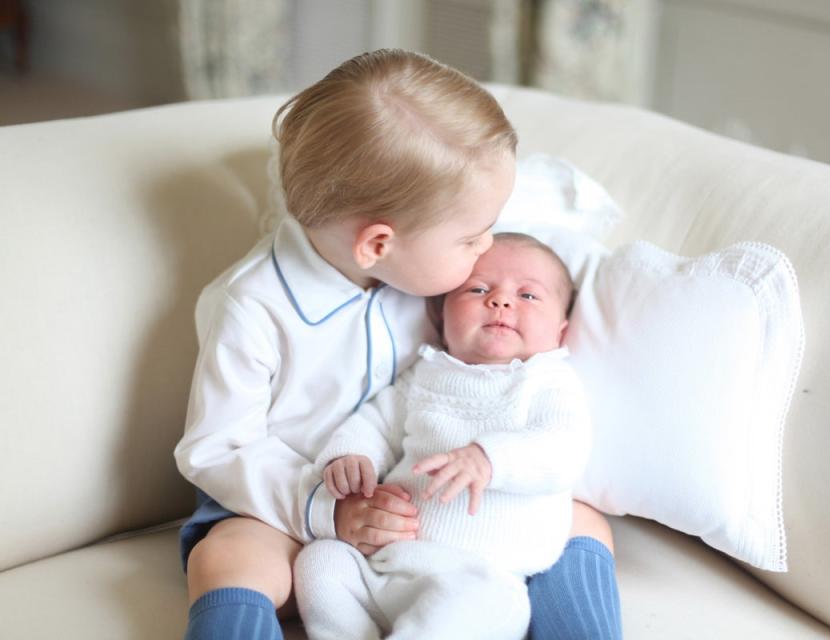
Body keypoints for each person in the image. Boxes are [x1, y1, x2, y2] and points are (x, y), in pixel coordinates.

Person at [174, 49, 621, 640]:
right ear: (378, 244)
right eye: (471, 237)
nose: (486, 246)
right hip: (290, 507)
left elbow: (508, 218)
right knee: (227, 555)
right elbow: (215, 449)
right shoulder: (252, 308)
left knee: (583, 519)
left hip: (437, 506)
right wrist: (327, 509)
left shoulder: (429, 265)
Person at [295, 233, 590, 639]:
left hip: (482, 576)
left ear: (560, 331)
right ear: (441, 314)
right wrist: (350, 455)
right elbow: (377, 422)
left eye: (528, 296)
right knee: (321, 561)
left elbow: (565, 449)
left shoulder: (548, 381)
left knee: (489, 605)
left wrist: (489, 458)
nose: (501, 301)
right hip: (387, 563)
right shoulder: (427, 373)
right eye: (479, 289)